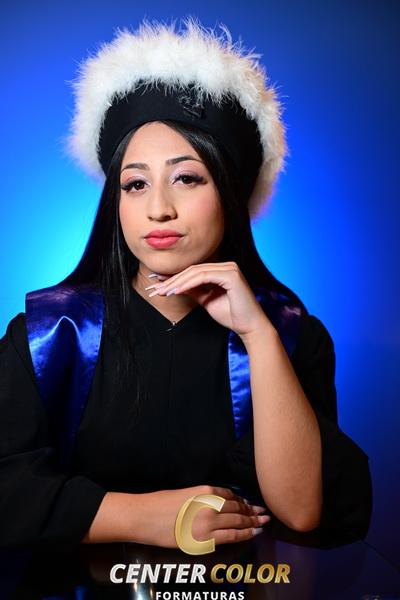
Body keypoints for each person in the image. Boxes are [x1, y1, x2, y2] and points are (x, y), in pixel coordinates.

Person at [0, 19, 372, 550]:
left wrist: (258, 336)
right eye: (135, 184)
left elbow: (303, 510)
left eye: (187, 177)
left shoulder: (292, 336)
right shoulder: (49, 336)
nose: (158, 208)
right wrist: (140, 517)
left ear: (230, 193)